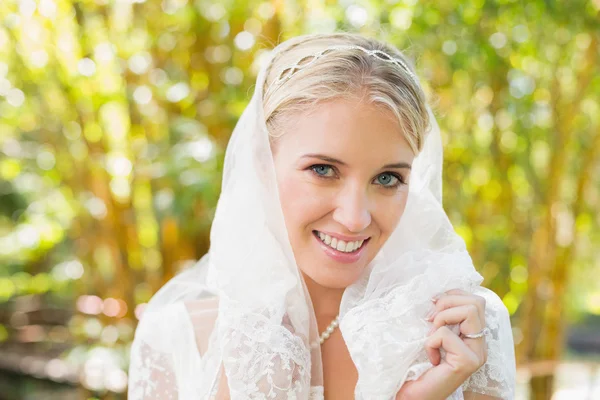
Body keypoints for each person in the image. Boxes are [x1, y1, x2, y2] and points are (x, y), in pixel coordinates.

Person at [127, 33, 516, 400]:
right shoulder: (178, 340)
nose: (354, 218)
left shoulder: (463, 333)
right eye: (324, 170)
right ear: (261, 165)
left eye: (387, 178)